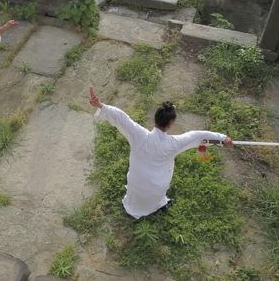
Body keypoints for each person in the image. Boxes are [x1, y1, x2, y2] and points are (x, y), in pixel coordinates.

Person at [89, 87, 233, 219]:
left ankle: (134, 208)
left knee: (136, 193)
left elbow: (121, 118)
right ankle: (157, 205)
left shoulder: (138, 135)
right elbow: (197, 136)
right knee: (156, 193)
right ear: (171, 124)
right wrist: (222, 139)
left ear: (155, 119)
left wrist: (101, 106)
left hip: (136, 183)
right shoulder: (174, 144)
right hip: (157, 189)